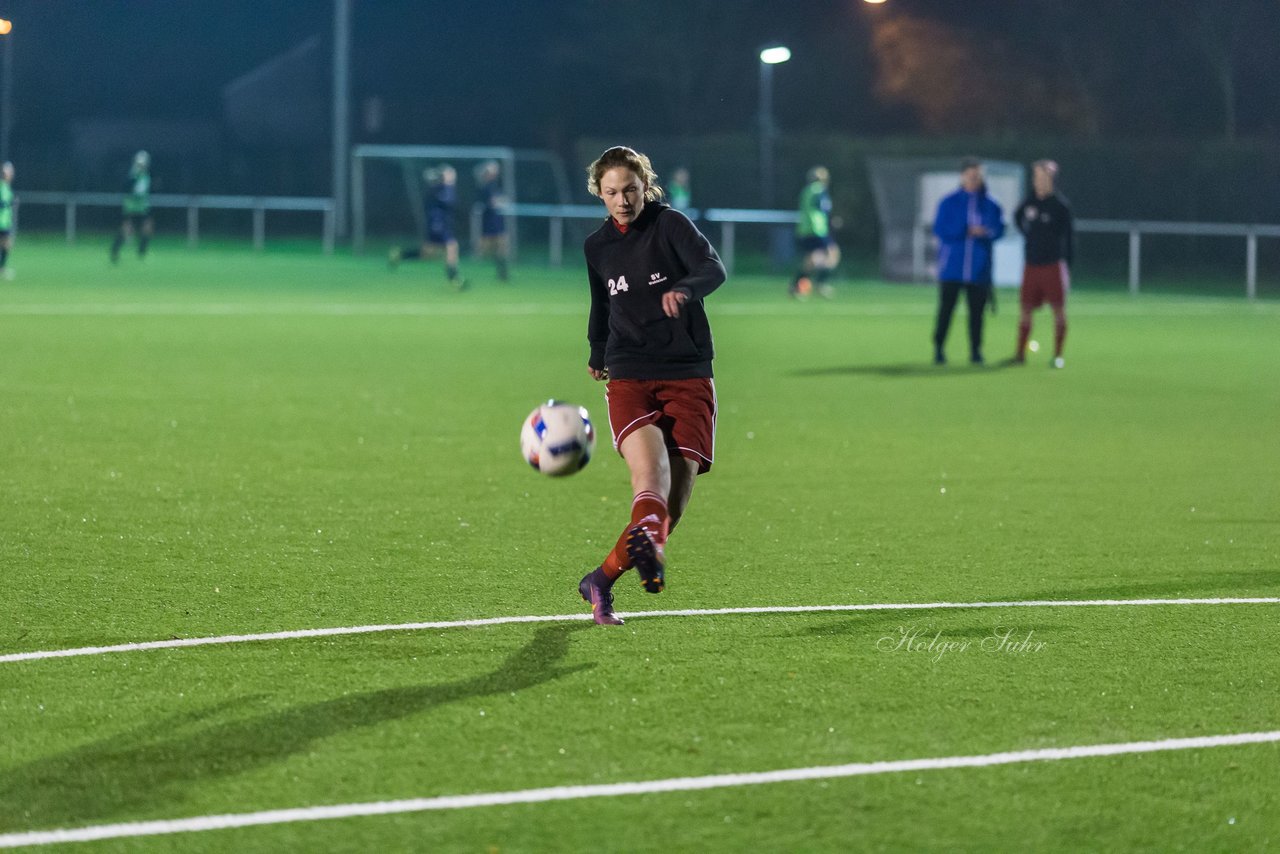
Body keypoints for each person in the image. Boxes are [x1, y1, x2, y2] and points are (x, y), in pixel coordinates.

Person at [578, 146, 726, 626]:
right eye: (612, 193)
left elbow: (713, 269)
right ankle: (645, 548)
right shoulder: (597, 246)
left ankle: (601, 579)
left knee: (673, 507)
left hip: (688, 372)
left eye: (630, 190)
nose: (622, 200)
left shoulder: (671, 226)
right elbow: (600, 305)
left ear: (646, 185)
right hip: (630, 374)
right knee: (650, 480)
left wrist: (684, 290)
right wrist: (598, 353)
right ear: (599, 194)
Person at [932, 158, 1004, 365]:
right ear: (963, 176)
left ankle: (976, 351)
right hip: (952, 268)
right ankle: (939, 348)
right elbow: (940, 229)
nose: (974, 179)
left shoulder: (991, 204)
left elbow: (999, 230)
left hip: (978, 269)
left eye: (978, 175)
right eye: (971, 175)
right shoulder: (949, 202)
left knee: (977, 314)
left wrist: (985, 233)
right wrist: (964, 230)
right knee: (946, 310)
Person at [1011, 160, 1073, 369]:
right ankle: (1019, 354)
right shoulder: (1029, 202)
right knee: (1025, 309)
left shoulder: (1060, 206)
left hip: (1052, 265)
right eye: (1036, 177)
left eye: (1044, 177)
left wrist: (1069, 265)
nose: (1039, 181)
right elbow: (1017, 217)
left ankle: (1058, 355)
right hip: (1032, 264)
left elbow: (1069, 237)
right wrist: (1027, 233)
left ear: (1052, 179)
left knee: (1058, 310)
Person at [389, 164, 467, 290]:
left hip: (443, 224)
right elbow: (449, 202)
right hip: (437, 224)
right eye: (450, 174)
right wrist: (445, 183)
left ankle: (401, 255)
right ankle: (455, 280)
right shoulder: (440, 189)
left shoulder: (444, 188)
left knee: (428, 254)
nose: (453, 176)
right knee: (451, 247)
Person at [789, 166, 840, 299]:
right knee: (833, 254)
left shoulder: (806, 191)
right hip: (817, 229)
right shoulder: (819, 191)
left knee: (810, 261)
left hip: (804, 229)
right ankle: (821, 284)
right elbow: (824, 209)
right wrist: (832, 222)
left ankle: (796, 286)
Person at [110, 150, 153, 264]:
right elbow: (126, 188)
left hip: (142, 208)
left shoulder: (146, 176)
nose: (142, 166)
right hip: (130, 207)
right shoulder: (132, 175)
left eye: (144, 164)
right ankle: (114, 250)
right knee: (126, 231)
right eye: (140, 164)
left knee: (147, 228)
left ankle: (141, 251)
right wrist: (134, 179)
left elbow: (145, 192)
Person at [474, 160, 510, 281]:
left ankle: (502, 271)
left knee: (501, 246)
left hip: (496, 219)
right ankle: (475, 264)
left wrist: (501, 202)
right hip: (490, 220)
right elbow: (494, 203)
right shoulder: (487, 187)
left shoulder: (493, 185)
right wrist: (501, 202)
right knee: (488, 247)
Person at [0, 162, 14, 279]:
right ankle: (2, 268)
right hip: (1, 222)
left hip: (5, 222)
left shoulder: (7, 187)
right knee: (6, 244)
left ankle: (2, 268)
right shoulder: (1, 186)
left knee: (7, 244)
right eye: (9, 171)